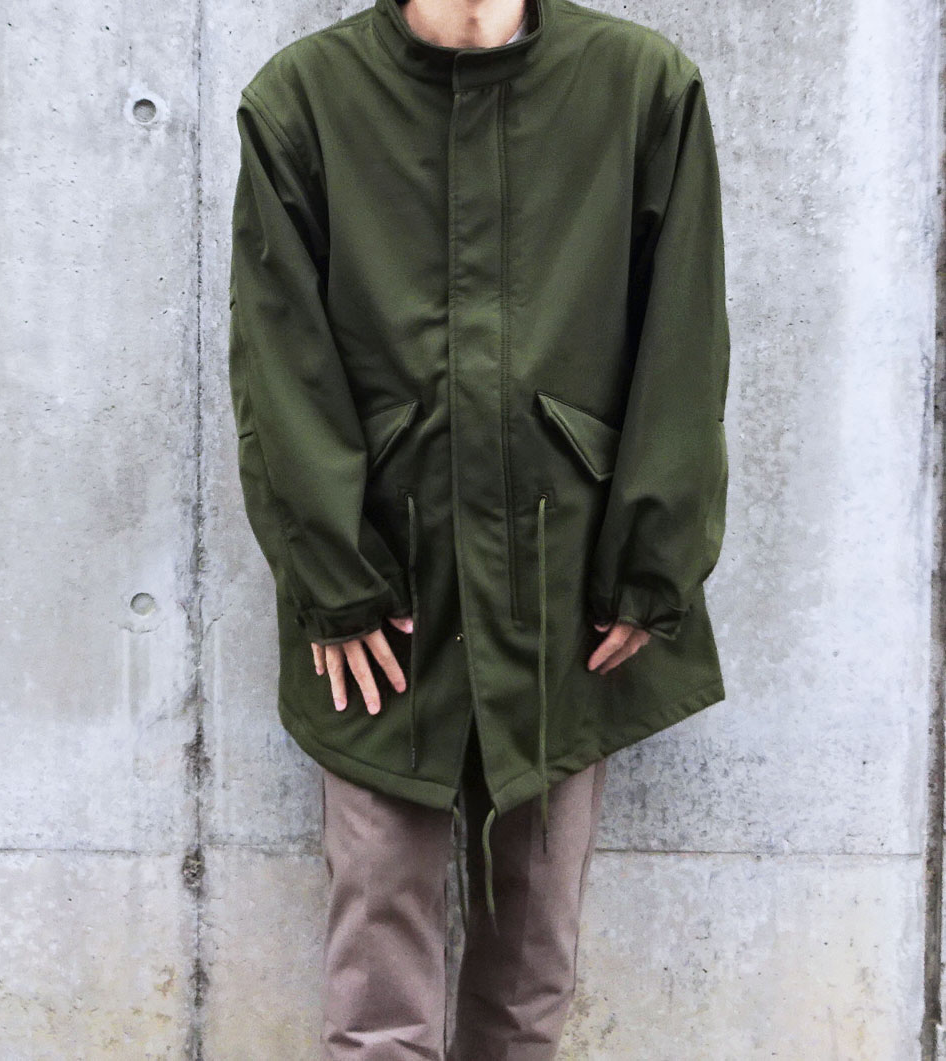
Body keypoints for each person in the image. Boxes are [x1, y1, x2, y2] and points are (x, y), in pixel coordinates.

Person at [228, 0, 731, 1056]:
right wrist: (334, 580)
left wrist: (649, 564)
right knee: (377, 994)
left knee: (529, 977)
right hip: (381, 601)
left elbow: (683, 337)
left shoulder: (641, 88)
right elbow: (277, 361)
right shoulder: (305, 101)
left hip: (565, 587)